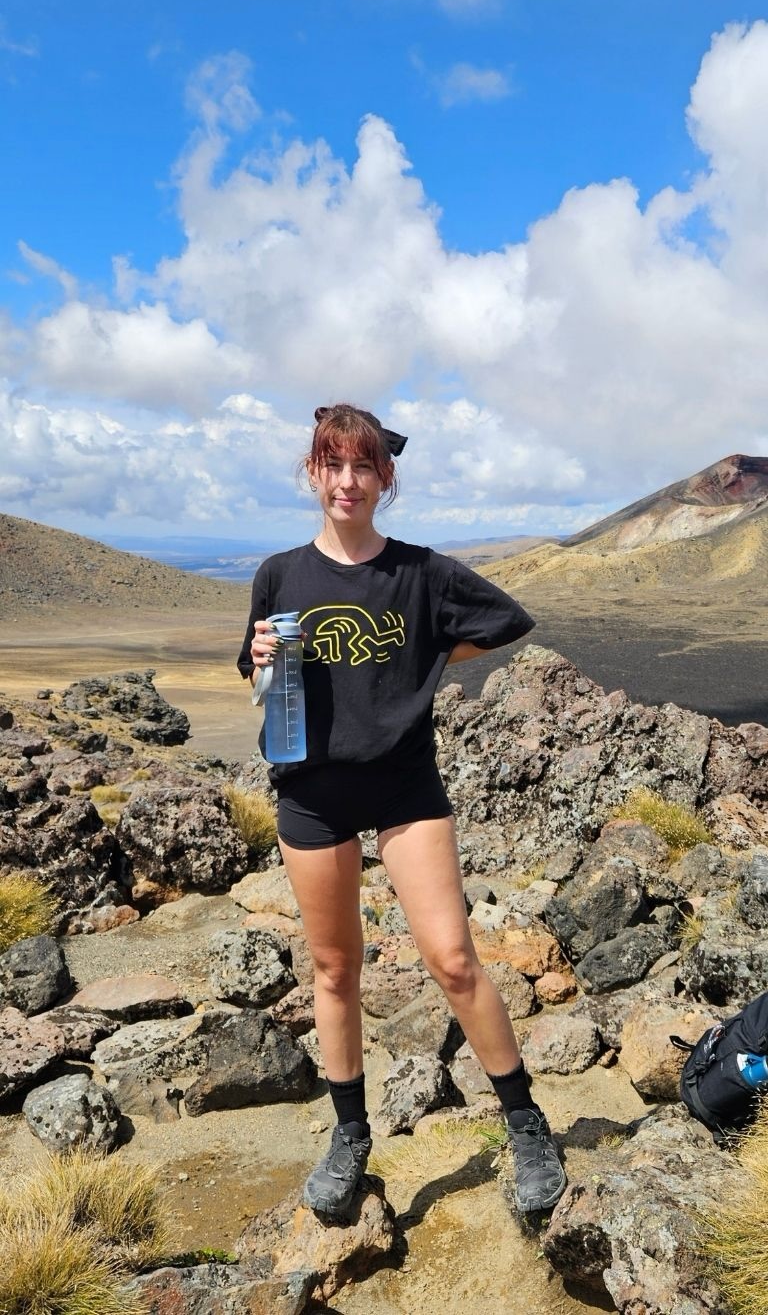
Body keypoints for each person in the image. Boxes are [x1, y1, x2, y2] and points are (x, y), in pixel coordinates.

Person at [237, 403, 567, 1224]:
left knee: (454, 959)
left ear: (387, 477)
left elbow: (507, 621)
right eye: (332, 465)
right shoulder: (279, 575)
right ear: (312, 473)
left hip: (405, 789)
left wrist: (425, 659)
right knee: (335, 969)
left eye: (364, 466)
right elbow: (257, 681)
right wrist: (260, 665)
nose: (347, 481)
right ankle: (350, 1135)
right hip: (311, 791)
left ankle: (525, 1122)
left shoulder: (421, 572)